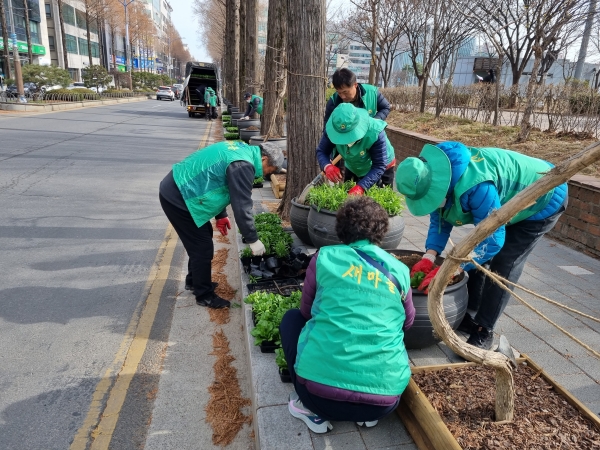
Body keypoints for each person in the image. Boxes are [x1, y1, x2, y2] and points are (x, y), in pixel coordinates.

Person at [395, 141, 568, 349]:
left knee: (504, 262)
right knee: (475, 253)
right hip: (504, 202)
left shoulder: (476, 185)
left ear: (438, 185)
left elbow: (494, 240)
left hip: (543, 196)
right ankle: (469, 316)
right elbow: (439, 221)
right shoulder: (434, 176)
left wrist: (452, 269)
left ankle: (484, 330)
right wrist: (429, 256)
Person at [280, 196, 415, 433]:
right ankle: (366, 415)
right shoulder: (400, 270)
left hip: (318, 397)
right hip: (383, 404)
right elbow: (408, 322)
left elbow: (305, 312)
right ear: (381, 232)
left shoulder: (324, 257)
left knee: (291, 320)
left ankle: (311, 412)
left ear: (340, 229)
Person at [159, 141, 284, 308]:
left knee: (202, 238)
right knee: (202, 247)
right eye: (271, 170)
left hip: (178, 188)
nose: (269, 175)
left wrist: (221, 215)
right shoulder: (243, 165)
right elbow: (242, 205)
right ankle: (204, 295)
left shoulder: (241, 150)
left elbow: (217, 181)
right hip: (178, 197)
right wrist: (253, 240)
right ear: (264, 159)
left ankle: (194, 281)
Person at [316, 103, 396, 195]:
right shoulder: (333, 128)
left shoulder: (375, 132)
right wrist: (327, 166)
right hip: (352, 161)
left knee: (378, 197)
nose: (344, 141)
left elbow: (379, 165)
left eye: (348, 137)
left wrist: (362, 187)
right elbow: (322, 151)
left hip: (380, 165)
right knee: (348, 194)